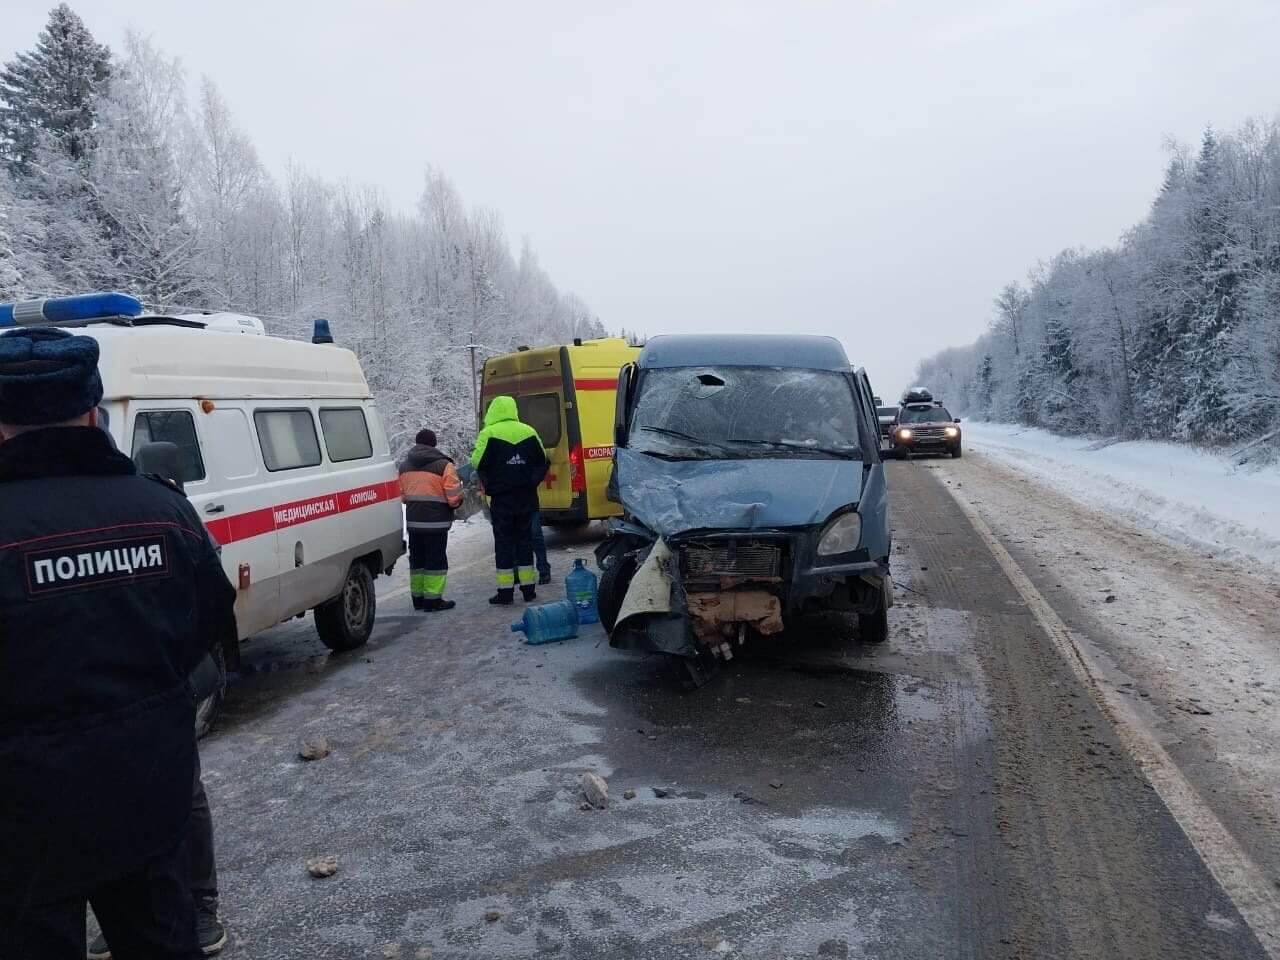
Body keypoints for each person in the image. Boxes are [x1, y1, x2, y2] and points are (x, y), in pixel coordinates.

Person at [0, 327, 237, 960]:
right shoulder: (161, 511)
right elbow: (209, 622)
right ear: (90, 411)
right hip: (148, 800)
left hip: (21, 824)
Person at [469, 395, 549, 604]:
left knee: (504, 543)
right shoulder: (528, 431)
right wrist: (530, 481)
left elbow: (477, 461)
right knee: (525, 541)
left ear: (492, 412)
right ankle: (528, 589)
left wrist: (492, 483)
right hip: (526, 497)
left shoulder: (489, 433)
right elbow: (542, 462)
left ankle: (505, 592)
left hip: (502, 499)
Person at [398, 428, 464, 612]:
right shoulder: (444, 466)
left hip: (414, 522)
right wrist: (458, 502)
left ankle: (418, 598)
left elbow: (402, 496)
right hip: (436, 523)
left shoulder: (404, 466)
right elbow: (454, 497)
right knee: (435, 561)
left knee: (417, 560)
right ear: (434, 444)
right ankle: (433, 600)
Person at [531, 512, 552, 584]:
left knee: (535, 534)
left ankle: (544, 570)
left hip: (529, 505)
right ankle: (516, 570)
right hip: (509, 506)